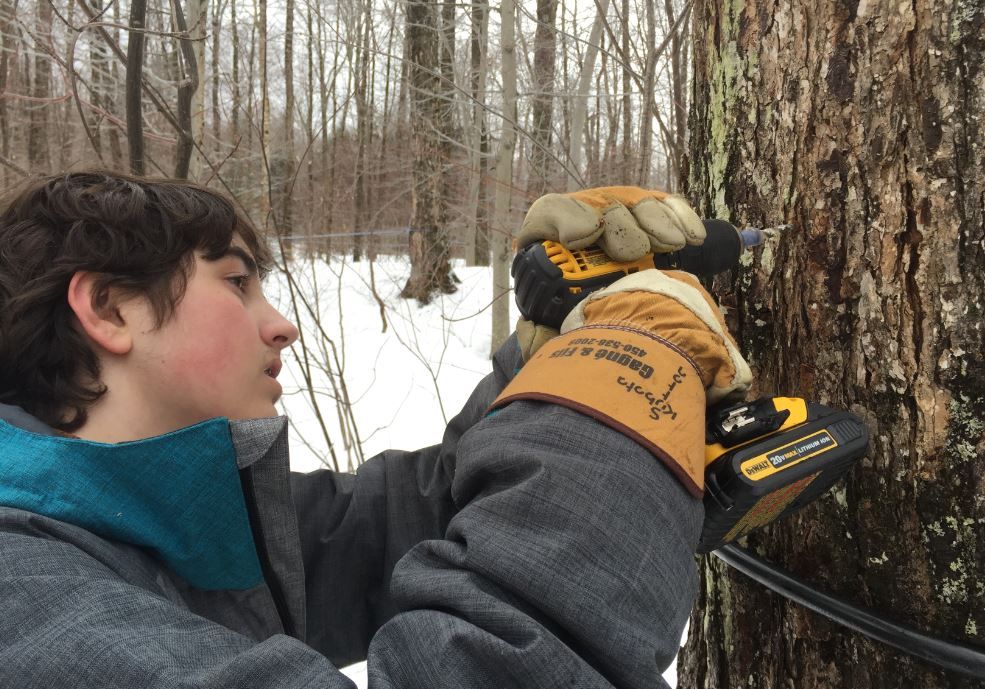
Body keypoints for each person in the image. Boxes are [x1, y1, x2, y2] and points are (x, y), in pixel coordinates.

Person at [0, 171, 750, 688]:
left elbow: (411, 516)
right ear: (108, 308)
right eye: (236, 282)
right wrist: (619, 394)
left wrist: (546, 358)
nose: (282, 324)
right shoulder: (24, 605)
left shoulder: (153, 519)